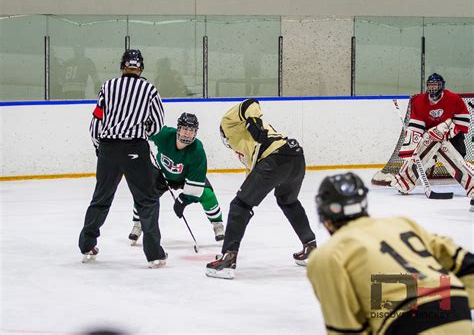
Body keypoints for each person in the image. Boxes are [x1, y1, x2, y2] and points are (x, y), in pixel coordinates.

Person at [307, 172, 474, 335]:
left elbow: (346, 327)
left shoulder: (327, 255)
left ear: (325, 217)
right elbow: (467, 264)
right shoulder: (401, 223)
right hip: (456, 305)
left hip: (402, 321)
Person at [205, 98, 317, 279]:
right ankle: (311, 247)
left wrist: (253, 123)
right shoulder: (247, 153)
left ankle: (228, 259)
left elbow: (250, 103)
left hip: (276, 157)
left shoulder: (227, 123)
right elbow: (251, 181)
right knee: (288, 201)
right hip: (295, 157)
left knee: (238, 206)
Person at [79, 49, 167, 268]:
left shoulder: (108, 87)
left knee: (101, 198)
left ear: (122, 66)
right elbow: (157, 123)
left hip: (108, 148)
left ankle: (87, 245)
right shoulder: (149, 89)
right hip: (135, 148)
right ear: (141, 68)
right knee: (147, 200)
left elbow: (96, 122)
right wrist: (142, 132)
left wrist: (101, 148)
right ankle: (154, 254)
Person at [127, 112, 225, 244]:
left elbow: (196, 184)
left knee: (207, 194)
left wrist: (184, 199)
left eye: (191, 130)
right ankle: (138, 224)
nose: (187, 133)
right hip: (162, 174)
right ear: (178, 128)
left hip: (186, 178)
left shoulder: (197, 150)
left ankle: (218, 225)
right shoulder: (165, 135)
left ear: (195, 133)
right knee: (144, 191)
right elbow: (146, 131)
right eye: (185, 129)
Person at [390, 73, 473, 211]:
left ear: (442, 86)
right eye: (430, 85)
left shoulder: (453, 98)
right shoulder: (419, 100)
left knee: (458, 158)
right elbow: (417, 125)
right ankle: (404, 182)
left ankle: (404, 182)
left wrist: (447, 131)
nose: (433, 88)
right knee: (423, 150)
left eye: (436, 85)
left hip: (451, 135)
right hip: (429, 137)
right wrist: (415, 138)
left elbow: (463, 119)